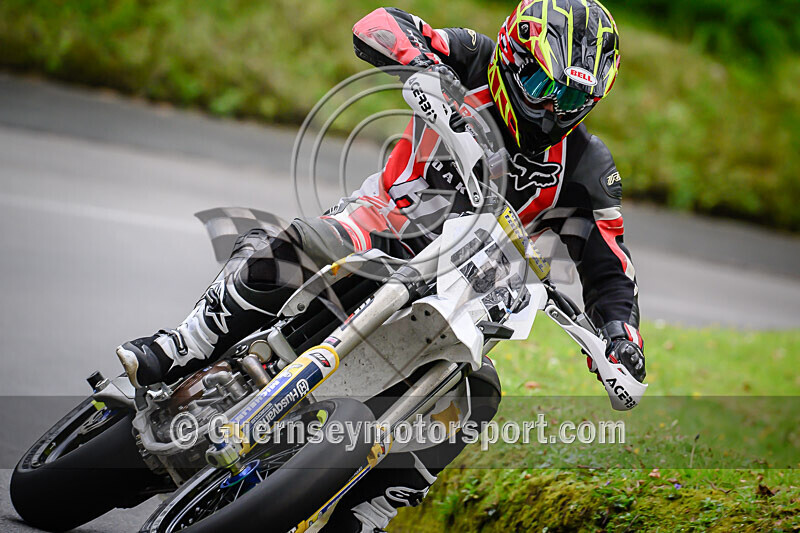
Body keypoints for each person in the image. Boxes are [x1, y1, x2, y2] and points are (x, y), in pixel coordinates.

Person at [116, 0, 645, 530]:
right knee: (308, 243)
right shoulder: (472, 57)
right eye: (543, 87)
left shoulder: (586, 165)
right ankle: (185, 342)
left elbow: (610, 269)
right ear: (511, 59)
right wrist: (427, 67)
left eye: (573, 97)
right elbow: (378, 24)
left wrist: (622, 340)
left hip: (461, 287)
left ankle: (370, 510)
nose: (553, 108)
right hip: (384, 222)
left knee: (476, 394)